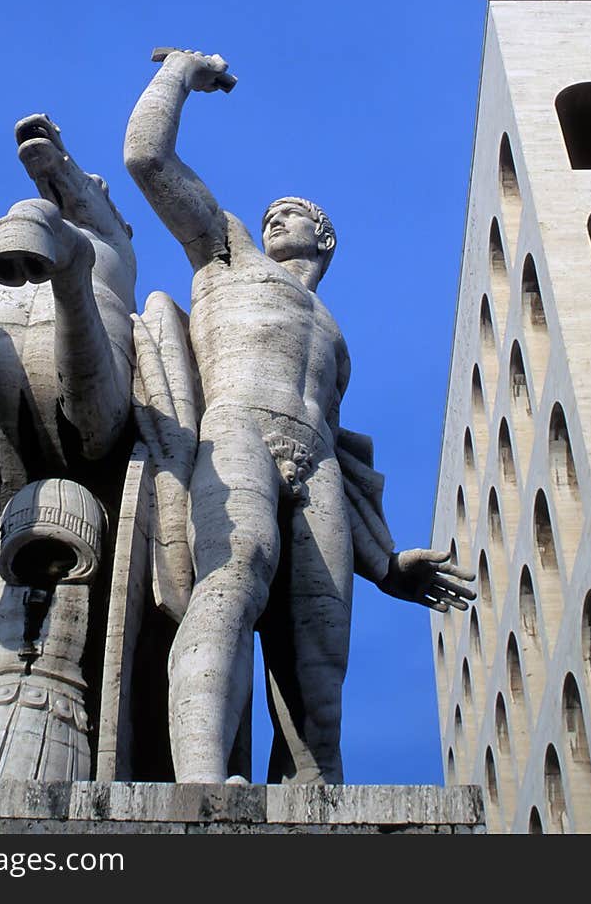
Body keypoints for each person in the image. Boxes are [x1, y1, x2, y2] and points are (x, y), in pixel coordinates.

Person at [124, 48, 474, 784]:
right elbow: (146, 157)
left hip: (315, 458)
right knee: (235, 569)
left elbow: (342, 449)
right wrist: (180, 73)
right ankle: (198, 783)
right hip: (237, 426)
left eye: (294, 212)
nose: (273, 212)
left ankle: (316, 808)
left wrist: (384, 560)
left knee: (323, 669)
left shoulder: (335, 334)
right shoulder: (227, 255)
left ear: (324, 237)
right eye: (269, 211)